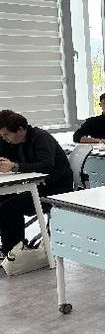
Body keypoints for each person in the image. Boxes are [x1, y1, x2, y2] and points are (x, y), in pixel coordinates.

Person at [0, 110, 73, 256]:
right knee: (2, 199)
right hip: (37, 187)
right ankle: (12, 247)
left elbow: (46, 166)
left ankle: (13, 253)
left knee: (9, 207)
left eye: (6, 135)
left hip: (56, 190)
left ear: (20, 130)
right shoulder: (17, 141)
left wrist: (14, 166)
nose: (4, 138)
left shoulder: (41, 137)